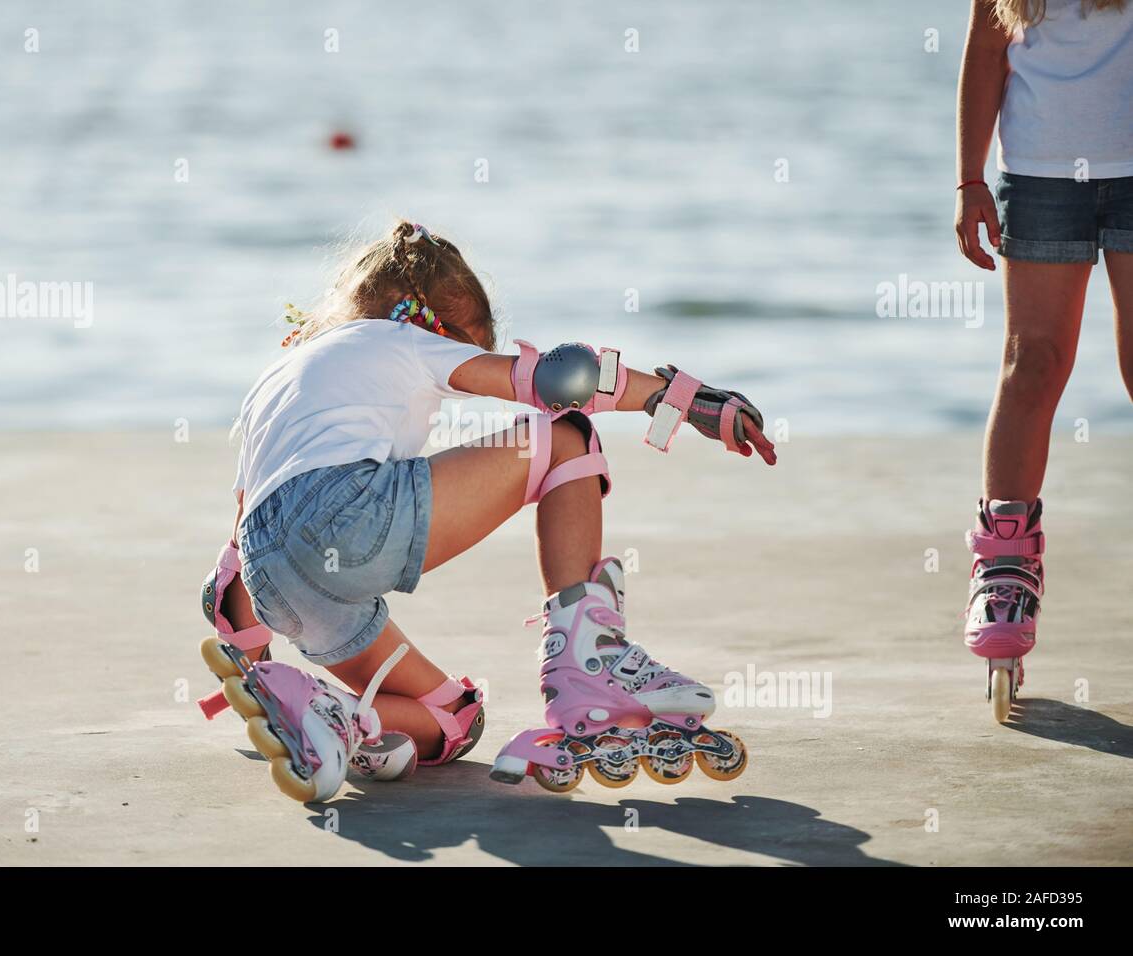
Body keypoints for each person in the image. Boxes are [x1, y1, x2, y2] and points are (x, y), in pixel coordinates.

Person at [199, 220, 775, 802]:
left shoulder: (274, 382)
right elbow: (555, 380)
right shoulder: (402, 338)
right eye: (472, 345)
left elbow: (233, 567)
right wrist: (675, 397)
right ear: (430, 321)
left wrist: (248, 661)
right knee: (563, 437)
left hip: (279, 585)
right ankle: (586, 661)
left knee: (453, 720)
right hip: (350, 522)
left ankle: (333, 715)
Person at [954, 0, 1133, 719]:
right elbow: (985, 49)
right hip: (1038, 175)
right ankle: (1003, 572)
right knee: (1033, 363)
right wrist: (969, 179)